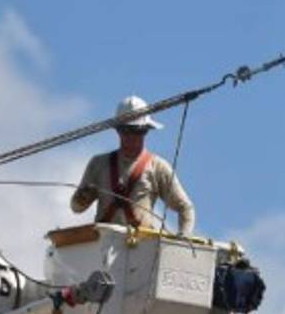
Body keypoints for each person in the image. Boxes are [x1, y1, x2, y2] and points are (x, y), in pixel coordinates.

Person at [71, 95, 196, 235]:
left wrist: (182, 239)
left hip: (141, 248)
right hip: (104, 245)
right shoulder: (99, 164)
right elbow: (76, 208)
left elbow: (185, 208)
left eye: (138, 131)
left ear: (146, 131)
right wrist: (83, 198)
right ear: (118, 130)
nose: (132, 137)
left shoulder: (157, 167)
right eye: (127, 131)